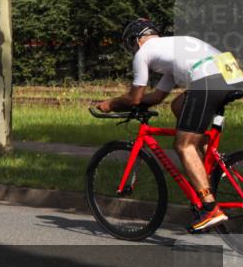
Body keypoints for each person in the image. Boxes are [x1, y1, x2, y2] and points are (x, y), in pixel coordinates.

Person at [95, 18, 242, 232]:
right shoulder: (170, 49)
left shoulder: (143, 53)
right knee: (178, 105)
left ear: (137, 40)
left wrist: (111, 104)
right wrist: (139, 103)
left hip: (208, 78)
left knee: (183, 145)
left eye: (130, 44)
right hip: (230, 73)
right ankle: (204, 160)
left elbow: (136, 98)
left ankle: (210, 208)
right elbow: (155, 97)